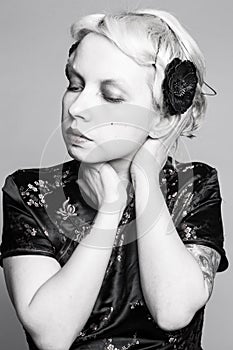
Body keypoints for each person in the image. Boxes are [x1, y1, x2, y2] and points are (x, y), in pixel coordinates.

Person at [0, 8, 229, 350]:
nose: (76, 108)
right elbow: (51, 335)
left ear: (162, 120)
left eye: (111, 95)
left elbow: (172, 310)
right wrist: (111, 208)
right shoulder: (29, 192)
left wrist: (145, 174)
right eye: (74, 84)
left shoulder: (195, 186)